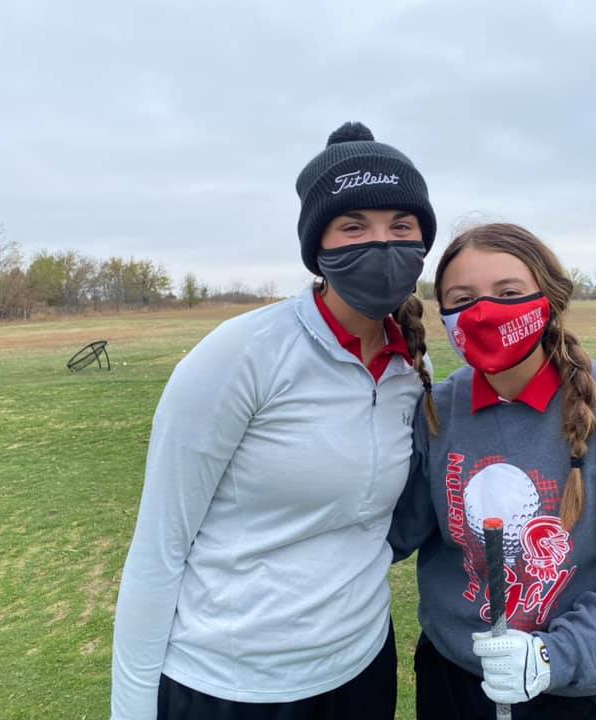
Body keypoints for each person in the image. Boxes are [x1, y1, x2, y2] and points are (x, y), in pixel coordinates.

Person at [111, 121, 437, 720]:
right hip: (230, 688)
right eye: (354, 225)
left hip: (361, 669)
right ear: (319, 247)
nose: (383, 243)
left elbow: (384, 525)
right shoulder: (239, 355)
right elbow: (160, 548)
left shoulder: (412, 368)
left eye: (401, 225)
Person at [389, 223, 596, 720]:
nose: (484, 312)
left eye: (508, 293)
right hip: (453, 683)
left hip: (578, 693)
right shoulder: (438, 410)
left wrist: (553, 657)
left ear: (549, 298)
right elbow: (393, 530)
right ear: (443, 315)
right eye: (462, 298)